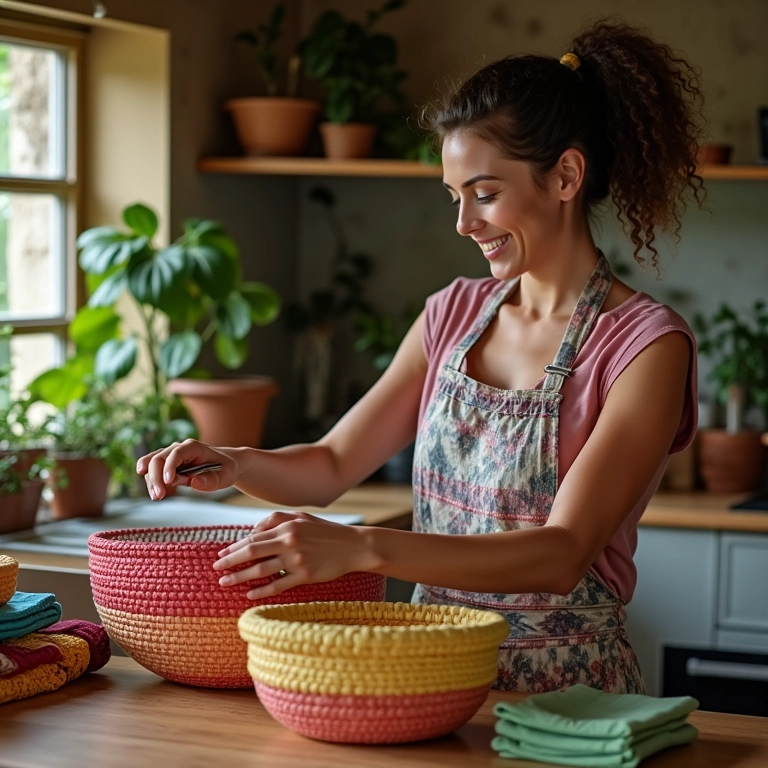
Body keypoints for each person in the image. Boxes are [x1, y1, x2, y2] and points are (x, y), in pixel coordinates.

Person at [138, 19, 705, 694]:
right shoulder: (451, 315)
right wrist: (235, 463)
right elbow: (331, 464)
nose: (464, 223)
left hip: (570, 699)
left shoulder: (646, 345)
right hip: (434, 676)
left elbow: (561, 554)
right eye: (455, 197)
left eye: (485, 194)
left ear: (565, 176)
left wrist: (360, 546)